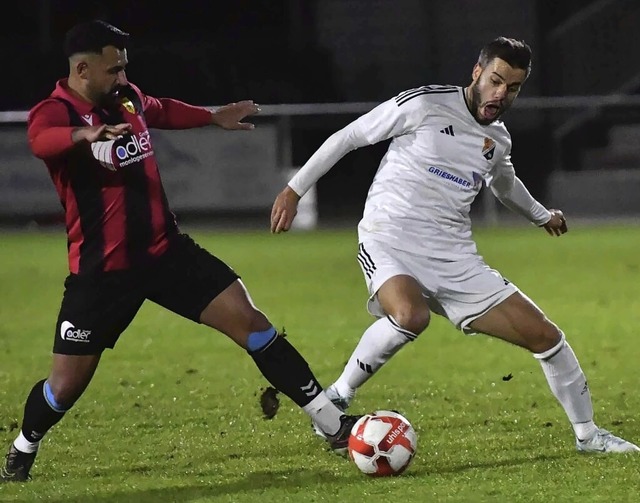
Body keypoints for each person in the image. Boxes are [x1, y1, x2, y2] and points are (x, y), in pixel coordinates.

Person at [1, 20, 360, 483]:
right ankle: (24, 444)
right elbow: (39, 140)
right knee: (64, 387)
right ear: (83, 69)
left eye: (125, 68)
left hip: (165, 251)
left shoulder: (126, 98)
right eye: (113, 70)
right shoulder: (55, 112)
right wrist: (82, 137)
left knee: (252, 323)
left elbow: (160, 109)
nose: (123, 78)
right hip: (102, 272)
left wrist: (212, 116)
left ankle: (331, 424)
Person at [271, 37, 639, 454]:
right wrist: (294, 189)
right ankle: (338, 397)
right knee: (411, 315)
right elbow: (350, 136)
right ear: (477, 72)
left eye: (514, 87)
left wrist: (543, 216)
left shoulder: (497, 141)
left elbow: (506, 187)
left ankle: (589, 437)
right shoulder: (425, 105)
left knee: (547, 337)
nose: (502, 94)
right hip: (389, 235)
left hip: (454, 257)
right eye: (496, 80)